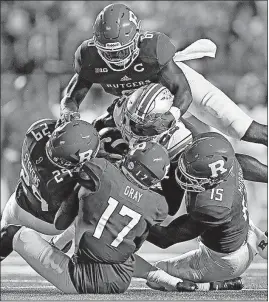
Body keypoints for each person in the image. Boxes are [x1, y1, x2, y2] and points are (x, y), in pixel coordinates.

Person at [59, 3, 267, 148]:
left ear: (137, 39)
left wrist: (171, 116)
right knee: (209, 149)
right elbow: (75, 91)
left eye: (122, 51)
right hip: (146, 109)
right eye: (109, 52)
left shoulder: (153, 49)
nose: (116, 58)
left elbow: (183, 90)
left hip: (176, 93)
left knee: (238, 127)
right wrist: (69, 109)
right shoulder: (89, 56)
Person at [1, 142, 196, 294]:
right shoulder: (159, 204)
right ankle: (170, 280)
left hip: (80, 279)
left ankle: (58, 243)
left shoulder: (102, 170)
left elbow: (61, 220)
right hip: (122, 279)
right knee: (116, 248)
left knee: (13, 232)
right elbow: (134, 246)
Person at [145, 132, 268, 291]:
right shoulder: (222, 155)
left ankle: (215, 284)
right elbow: (238, 161)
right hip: (248, 231)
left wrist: (132, 217)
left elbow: (165, 238)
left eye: (191, 175)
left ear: (210, 181)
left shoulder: (210, 208)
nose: (182, 173)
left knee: (157, 275)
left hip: (226, 262)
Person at [0, 119, 100, 260]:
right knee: (97, 199)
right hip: (49, 226)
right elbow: (62, 219)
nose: (54, 158)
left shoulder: (36, 131)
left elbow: (63, 124)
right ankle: (59, 243)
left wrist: (68, 118)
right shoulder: (55, 184)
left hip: (17, 203)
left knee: (4, 236)